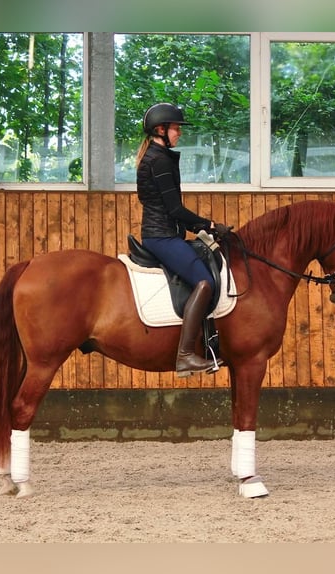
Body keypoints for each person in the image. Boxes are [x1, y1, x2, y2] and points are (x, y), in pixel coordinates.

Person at [135, 102, 231, 377]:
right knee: (205, 282)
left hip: (163, 233)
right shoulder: (160, 160)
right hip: (161, 236)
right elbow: (174, 210)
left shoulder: (154, 157)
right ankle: (186, 354)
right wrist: (209, 225)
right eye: (176, 128)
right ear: (160, 130)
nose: (179, 133)